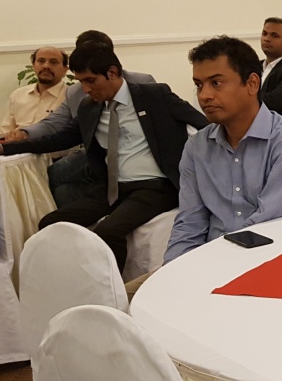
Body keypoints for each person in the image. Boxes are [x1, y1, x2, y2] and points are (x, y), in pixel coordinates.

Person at [1, 43, 208, 271]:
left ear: (112, 72)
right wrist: (7, 148)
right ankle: (68, 278)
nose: (86, 89)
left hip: (155, 187)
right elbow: (58, 139)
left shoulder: (154, 96)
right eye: (81, 82)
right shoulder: (90, 108)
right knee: (50, 223)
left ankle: (111, 289)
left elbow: (204, 125)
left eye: (91, 80)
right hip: (112, 189)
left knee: (109, 231)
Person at [164, 36, 282, 262]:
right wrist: (173, 270)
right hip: (209, 263)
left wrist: (209, 268)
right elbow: (189, 224)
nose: (204, 95)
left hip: (275, 264)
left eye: (216, 83)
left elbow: (266, 232)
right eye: (199, 85)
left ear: (252, 84)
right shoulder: (197, 147)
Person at [2, 30, 157, 207]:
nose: (87, 89)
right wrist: (22, 134)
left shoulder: (142, 82)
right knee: (62, 189)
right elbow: (55, 126)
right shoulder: (76, 93)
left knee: (55, 174)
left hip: (135, 156)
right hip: (94, 155)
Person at [4, 47, 69, 134]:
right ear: (33, 66)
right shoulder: (18, 95)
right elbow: (6, 131)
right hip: (16, 142)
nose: (46, 66)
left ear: (65, 69)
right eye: (41, 61)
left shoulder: (70, 97)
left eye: (53, 62)